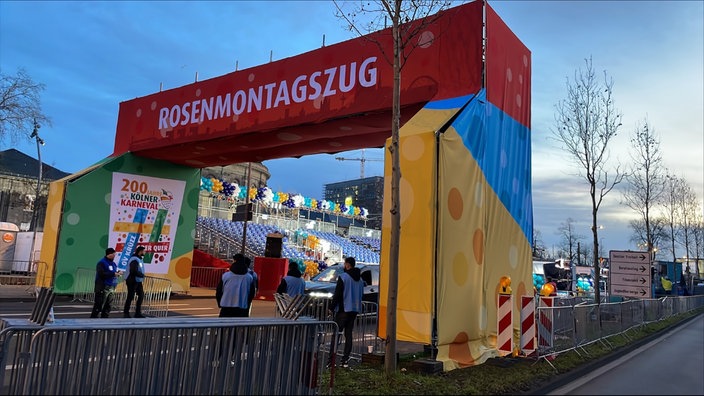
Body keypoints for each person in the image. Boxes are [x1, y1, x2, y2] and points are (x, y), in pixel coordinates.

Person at [328, 256, 364, 368]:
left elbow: (338, 294)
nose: (344, 266)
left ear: (348, 265)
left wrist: (331, 307)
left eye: (345, 264)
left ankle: (331, 361)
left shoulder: (343, 277)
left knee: (336, 335)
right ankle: (345, 361)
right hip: (354, 310)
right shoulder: (360, 280)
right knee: (348, 335)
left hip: (343, 309)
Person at [90, 248, 120, 318]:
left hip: (112, 286)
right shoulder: (101, 262)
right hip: (103, 286)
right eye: (113, 254)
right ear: (109, 254)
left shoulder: (113, 263)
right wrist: (113, 274)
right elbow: (101, 274)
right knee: (99, 303)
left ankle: (105, 317)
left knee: (108, 304)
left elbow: (115, 271)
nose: (114, 256)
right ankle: (94, 318)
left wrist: (118, 273)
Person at [123, 246, 146, 318]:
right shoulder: (134, 259)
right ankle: (126, 313)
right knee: (130, 296)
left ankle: (138, 313)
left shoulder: (139, 259)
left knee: (141, 295)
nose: (145, 252)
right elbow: (133, 271)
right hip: (132, 280)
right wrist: (141, 275)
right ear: (140, 251)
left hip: (138, 280)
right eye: (144, 251)